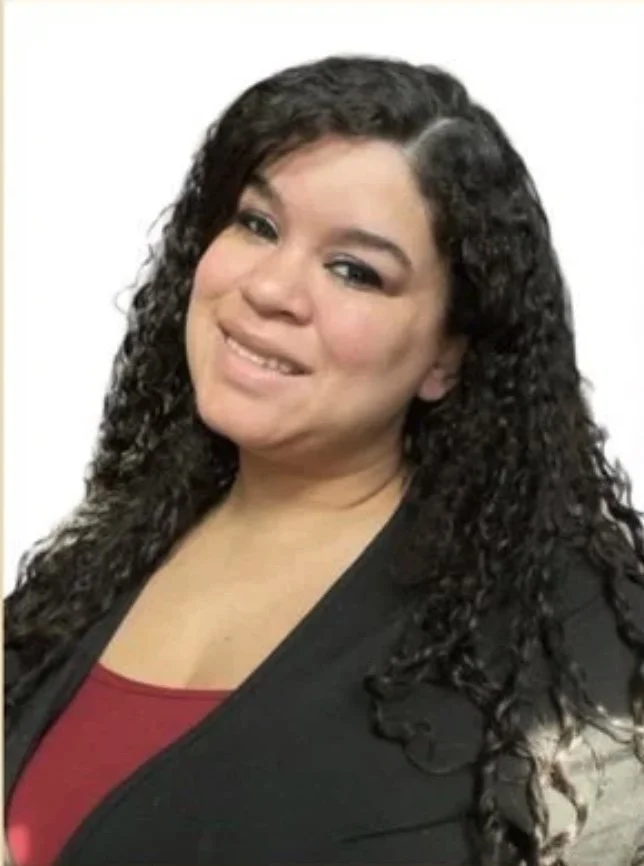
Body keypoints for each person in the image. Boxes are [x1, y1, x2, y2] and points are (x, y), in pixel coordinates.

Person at [4, 53, 644, 866]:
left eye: (354, 271)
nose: (271, 289)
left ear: (446, 356)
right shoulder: (91, 569)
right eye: (258, 224)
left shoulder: (569, 645)